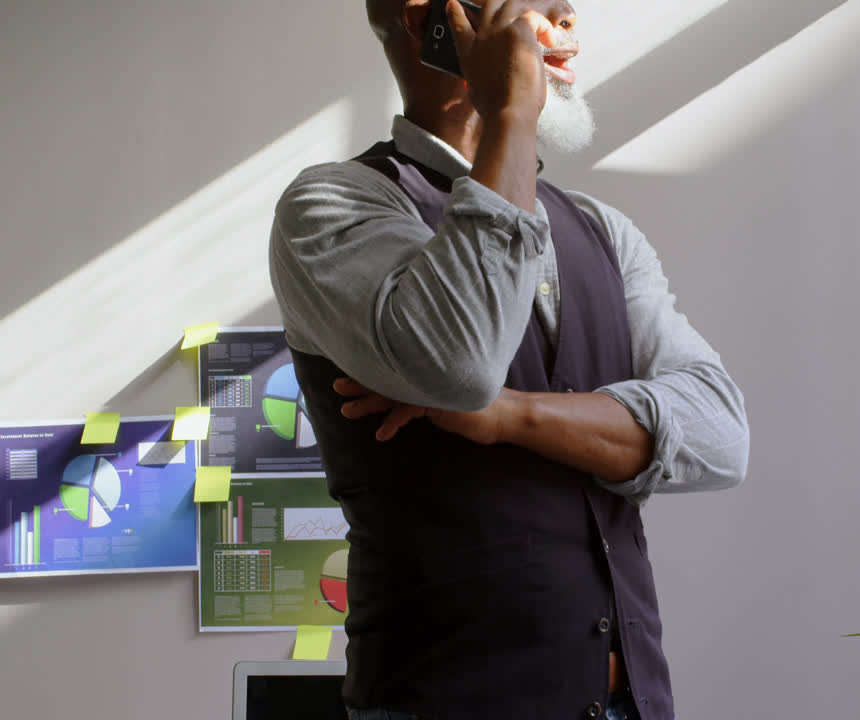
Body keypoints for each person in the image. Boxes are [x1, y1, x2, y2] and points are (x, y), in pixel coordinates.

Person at [268, 1, 749, 718]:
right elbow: (461, 364)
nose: (567, 13)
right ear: (430, 18)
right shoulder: (334, 206)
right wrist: (510, 118)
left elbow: (721, 437)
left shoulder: (599, 231)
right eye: (540, 0)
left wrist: (507, 416)